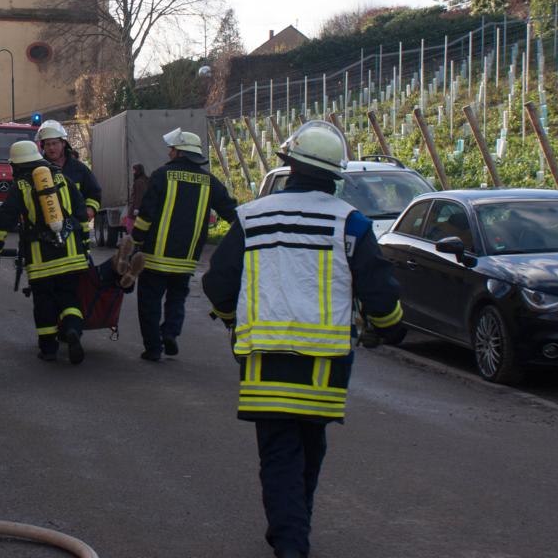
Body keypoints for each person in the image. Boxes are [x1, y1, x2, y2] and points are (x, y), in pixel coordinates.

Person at [201, 120, 405, 558]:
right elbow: (379, 290)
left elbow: (218, 283)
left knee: (278, 453)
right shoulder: (351, 224)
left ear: (289, 165)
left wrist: (232, 320)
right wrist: (390, 327)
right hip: (325, 364)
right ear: (335, 176)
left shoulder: (251, 217)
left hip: (264, 359)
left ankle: (289, 538)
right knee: (310, 447)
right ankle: (294, 529)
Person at [131, 128, 237, 361]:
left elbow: (146, 214)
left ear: (180, 152)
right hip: (187, 259)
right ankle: (170, 333)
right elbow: (232, 213)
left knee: (149, 302)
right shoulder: (209, 181)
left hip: (155, 258)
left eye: (172, 149)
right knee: (177, 299)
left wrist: (136, 240)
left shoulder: (161, 175)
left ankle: (153, 348)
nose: (169, 153)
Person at [0, 140, 91, 364]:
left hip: (41, 260)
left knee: (44, 303)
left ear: (17, 165)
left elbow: (4, 221)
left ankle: (49, 349)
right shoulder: (62, 178)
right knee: (69, 298)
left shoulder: (21, 187)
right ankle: (72, 330)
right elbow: (81, 214)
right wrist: (85, 245)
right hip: (71, 254)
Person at [36, 120, 102, 226]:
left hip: (77, 227)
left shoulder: (79, 169)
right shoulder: (39, 171)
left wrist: (90, 209)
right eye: (47, 144)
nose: (51, 148)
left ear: (63, 143)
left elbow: (94, 192)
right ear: (43, 147)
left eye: (54, 143)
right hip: (48, 227)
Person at [125, 163, 149, 233]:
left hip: (134, 209)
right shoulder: (145, 180)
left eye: (134, 170)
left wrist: (136, 208)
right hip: (142, 209)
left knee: (130, 227)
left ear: (138, 171)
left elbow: (139, 196)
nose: (133, 172)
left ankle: (132, 238)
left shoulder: (139, 182)